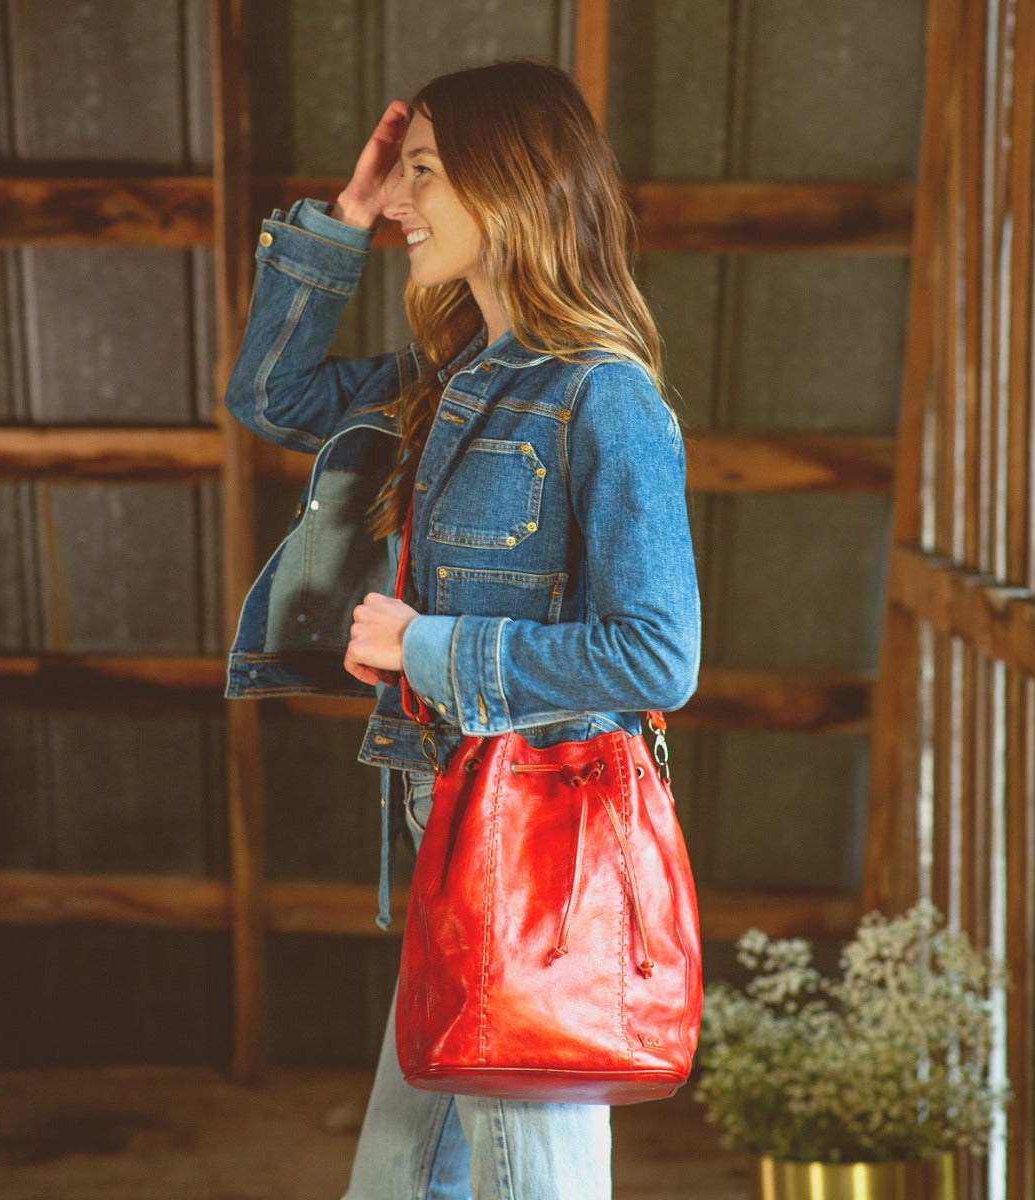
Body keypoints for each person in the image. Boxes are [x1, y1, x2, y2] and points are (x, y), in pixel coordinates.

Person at [224, 58, 700, 1200]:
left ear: (515, 186)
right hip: (458, 844)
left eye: (422, 175)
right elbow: (271, 400)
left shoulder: (605, 398)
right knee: (400, 1180)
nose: (399, 204)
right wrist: (337, 224)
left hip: (537, 869)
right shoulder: (449, 378)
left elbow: (655, 656)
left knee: (527, 1180)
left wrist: (423, 648)